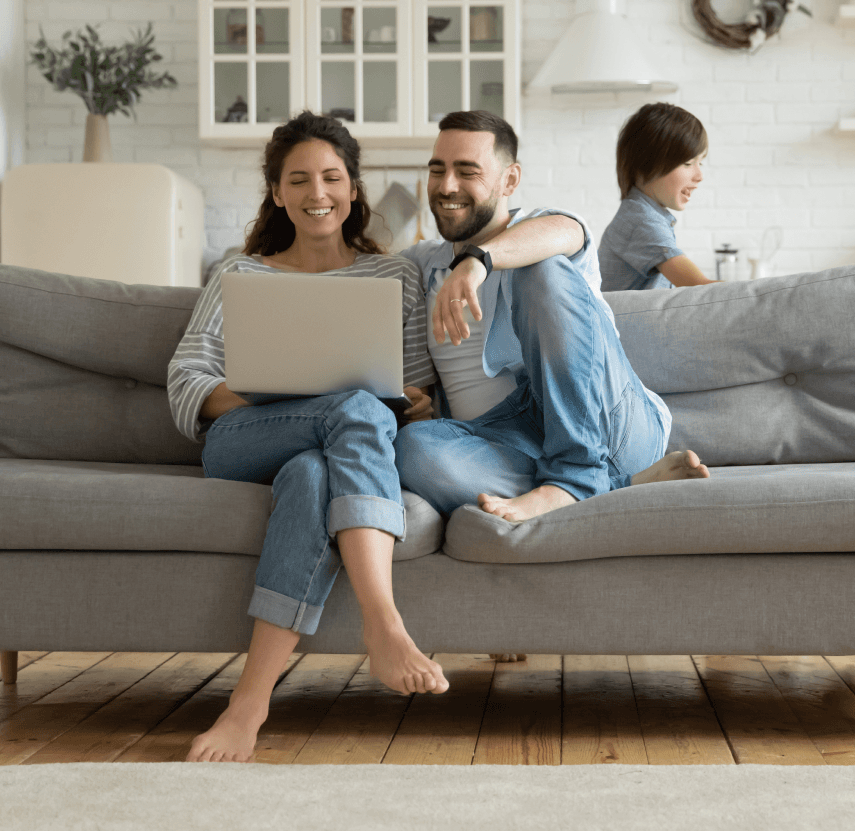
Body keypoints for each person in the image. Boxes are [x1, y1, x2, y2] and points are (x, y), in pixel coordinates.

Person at [168, 112, 450, 763]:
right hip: (245, 437)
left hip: (332, 452)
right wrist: (275, 393)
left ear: (353, 189)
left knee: (314, 475)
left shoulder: (395, 277)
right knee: (351, 407)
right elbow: (186, 374)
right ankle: (384, 625)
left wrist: (414, 399)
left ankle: (249, 705)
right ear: (277, 192)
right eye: (299, 180)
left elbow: (414, 387)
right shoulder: (240, 275)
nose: (316, 192)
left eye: (331, 177)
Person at [395, 110, 708, 525]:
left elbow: (564, 233)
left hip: (608, 420)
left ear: (509, 180)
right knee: (410, 448)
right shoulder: (421, 264)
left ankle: (575, 475)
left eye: (466, 171)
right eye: (438, 171)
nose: (447, 185)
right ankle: (615, 484)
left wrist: (479, 261)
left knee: (541, 266)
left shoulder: (543, 228)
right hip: (508, 439)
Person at [599, 102, 715, 291]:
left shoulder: (643, 214)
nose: (700, 176)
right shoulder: (641, 221)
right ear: (646, 166)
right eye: (687, 163)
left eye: (700, 163)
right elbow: (700, 288)